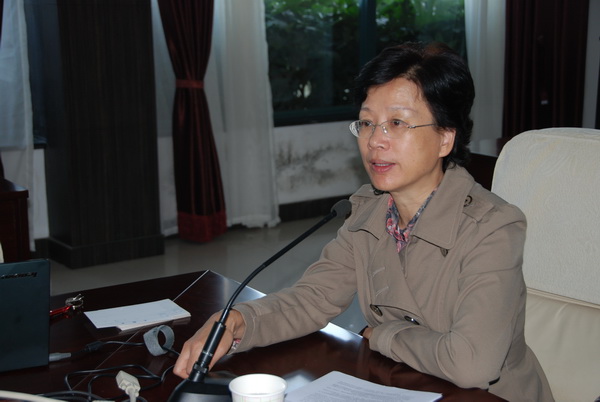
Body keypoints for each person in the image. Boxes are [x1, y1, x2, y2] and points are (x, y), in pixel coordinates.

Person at [174, 42, 554, 401]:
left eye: (397, 123)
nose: (375, 141)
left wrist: (385, 335)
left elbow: (471, 364)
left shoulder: (493, 227)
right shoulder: (370, 210)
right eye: (367, 123)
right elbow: (313, 298)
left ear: (445, 138)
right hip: (405, 383)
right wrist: (238, 321)